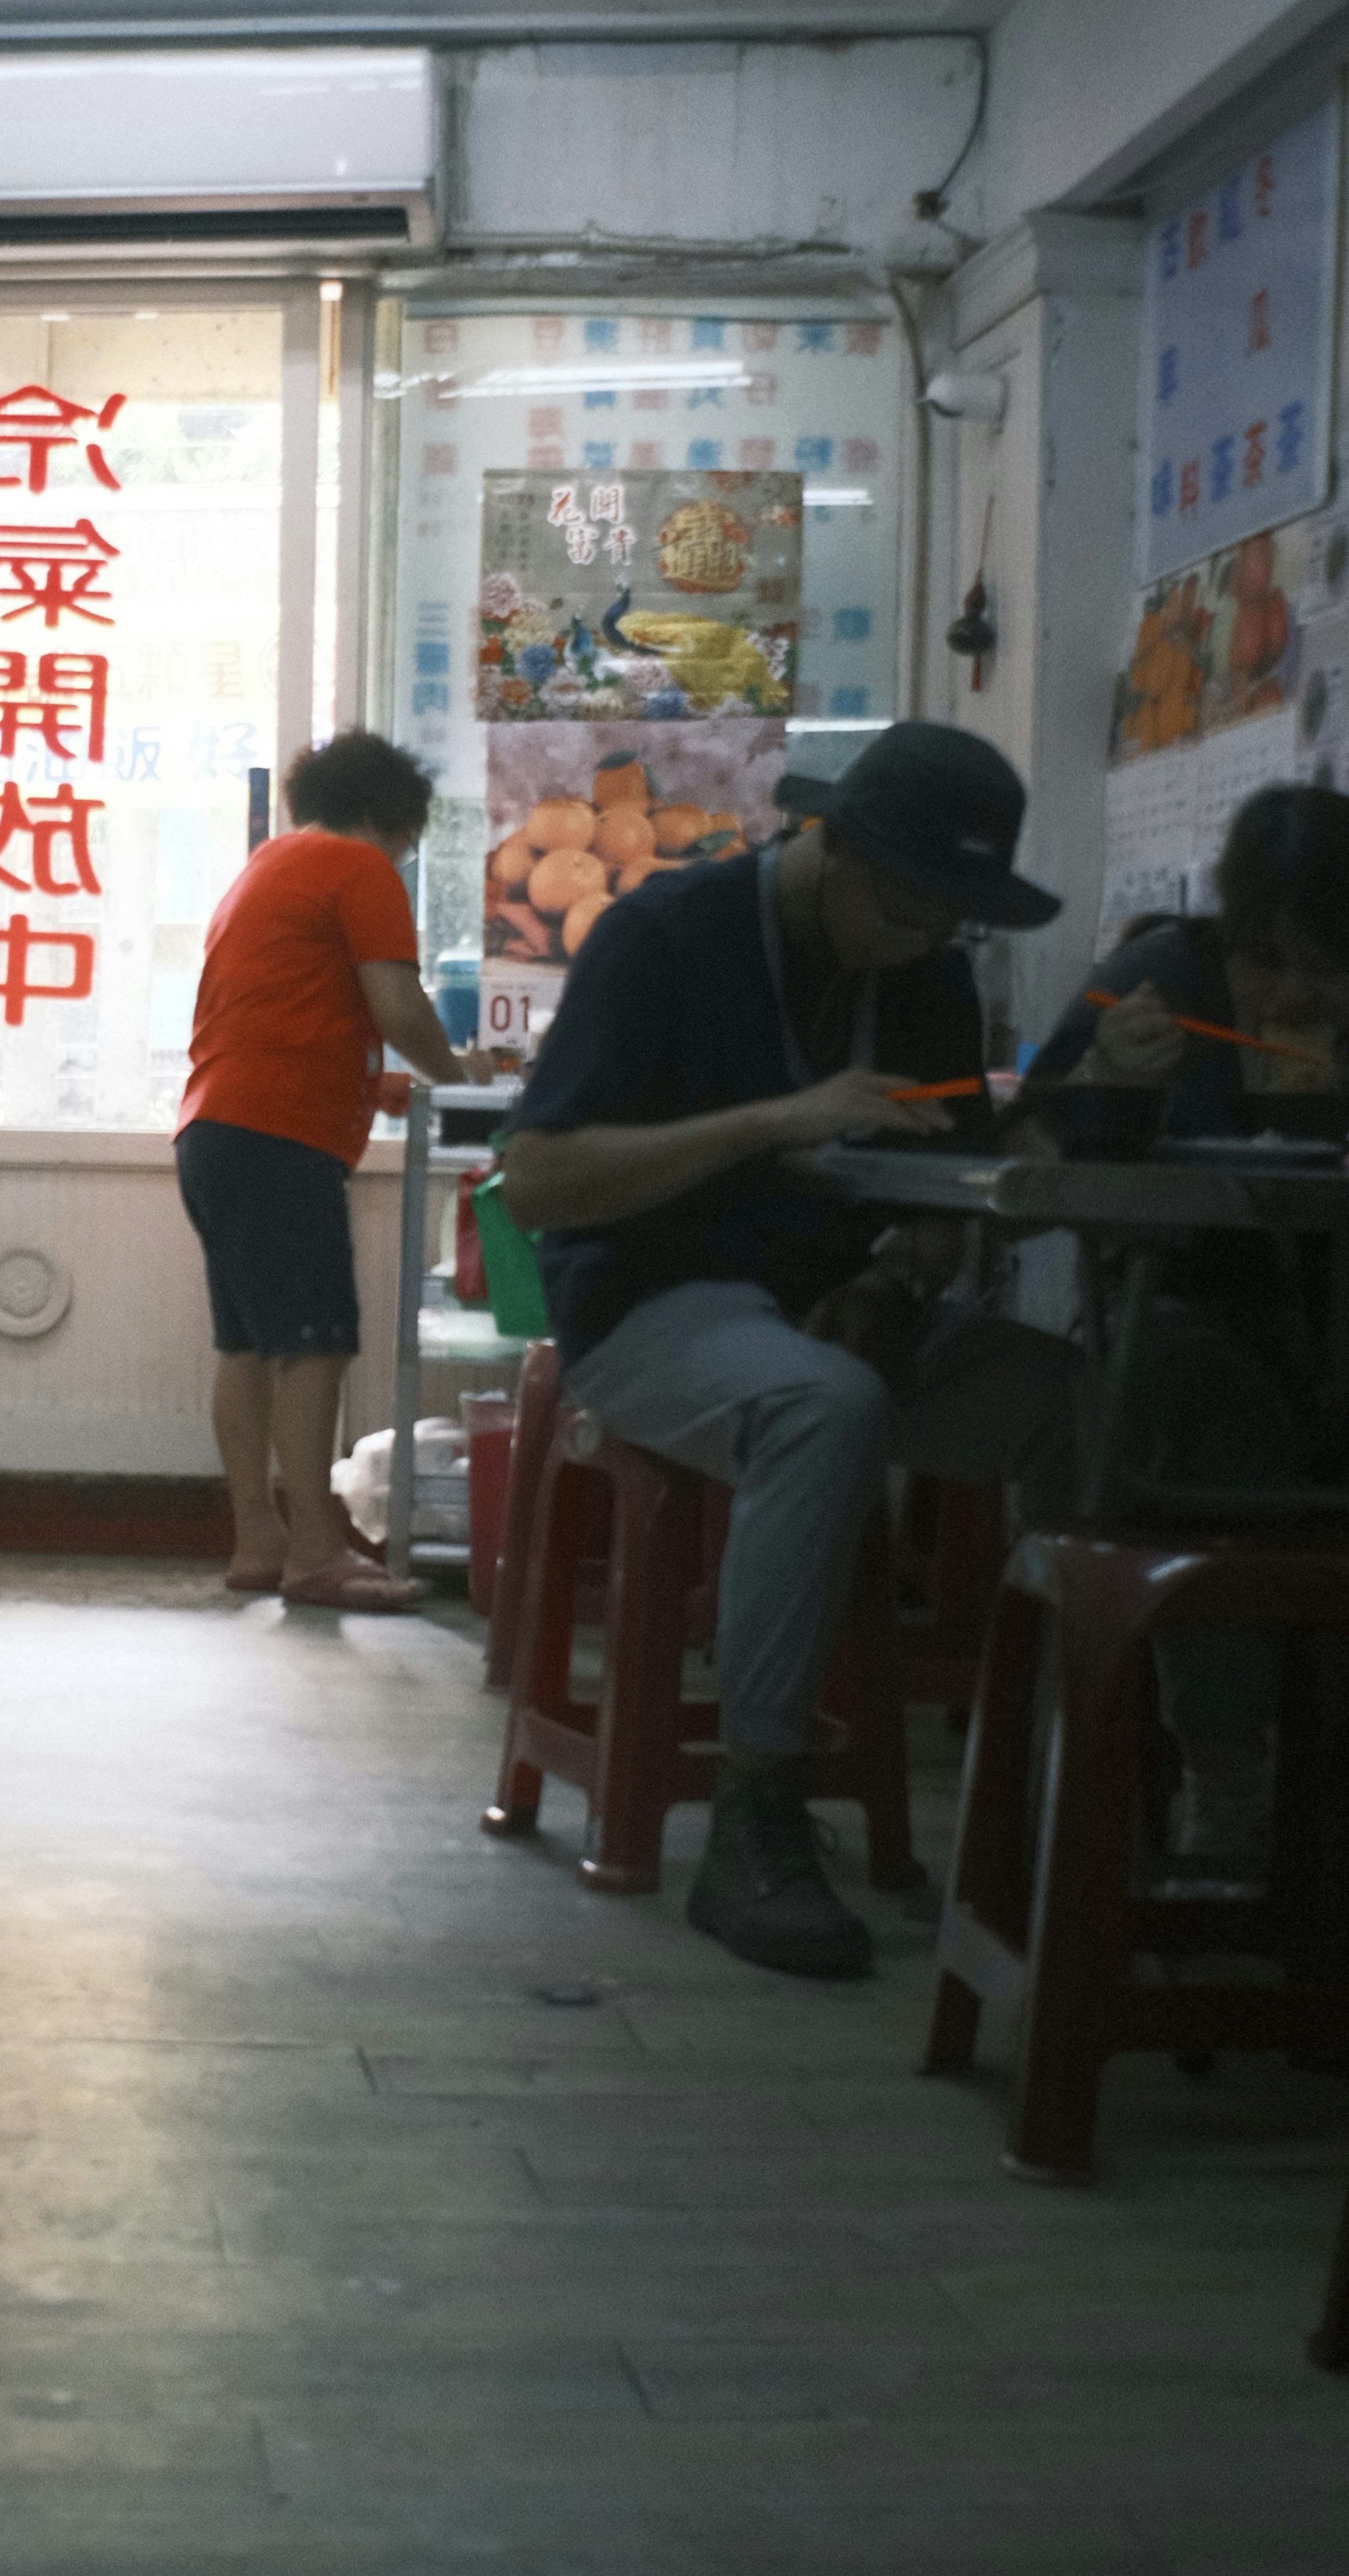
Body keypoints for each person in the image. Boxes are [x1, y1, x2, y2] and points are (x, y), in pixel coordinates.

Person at [502, 721, 1078, 1977]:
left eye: (956, 921)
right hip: (653, 1306)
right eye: (915, 906)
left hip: (844, 1320)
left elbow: (937, 1196)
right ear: (835, 844)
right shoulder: (665, 937)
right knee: (822, 1410)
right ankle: (757, 1815)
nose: (931, 939)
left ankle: (1086, 1803)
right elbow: (537, 1182)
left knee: (1072, 1403)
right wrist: (773, 1123)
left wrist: (891, 1275)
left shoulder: (927, 982)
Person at [1024, 783, 1349, 1888]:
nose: (1298, 994)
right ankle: (1228, 1781)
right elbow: (1027, 1147)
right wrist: (1110, 1083)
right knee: (1199, 1409)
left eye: (1330, 968)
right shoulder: (1165, 977)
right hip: (1189, 1316)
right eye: (1271, 959)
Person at [175, 727, 459, 1615]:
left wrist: (375, 1088)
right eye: (406, 844)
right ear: (386, 820)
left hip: (217, 1130)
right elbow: (397, 1004)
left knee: (250, 1345)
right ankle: (317, 1552)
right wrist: (459, 1079)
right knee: (316, 1341)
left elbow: (287, 1018)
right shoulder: (356, 867)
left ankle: (258, 1539)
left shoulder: (267, 868)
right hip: (278, 1139)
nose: (402, 863)